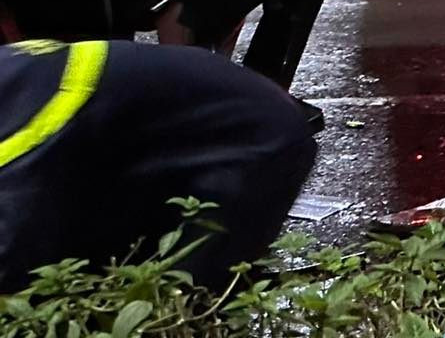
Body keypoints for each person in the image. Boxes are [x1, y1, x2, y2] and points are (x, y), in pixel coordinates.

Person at [0, 39, 315, 290]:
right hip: (158, 137)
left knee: (184, 294)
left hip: (253, 140)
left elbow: (16, 256)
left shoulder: (25, 140)